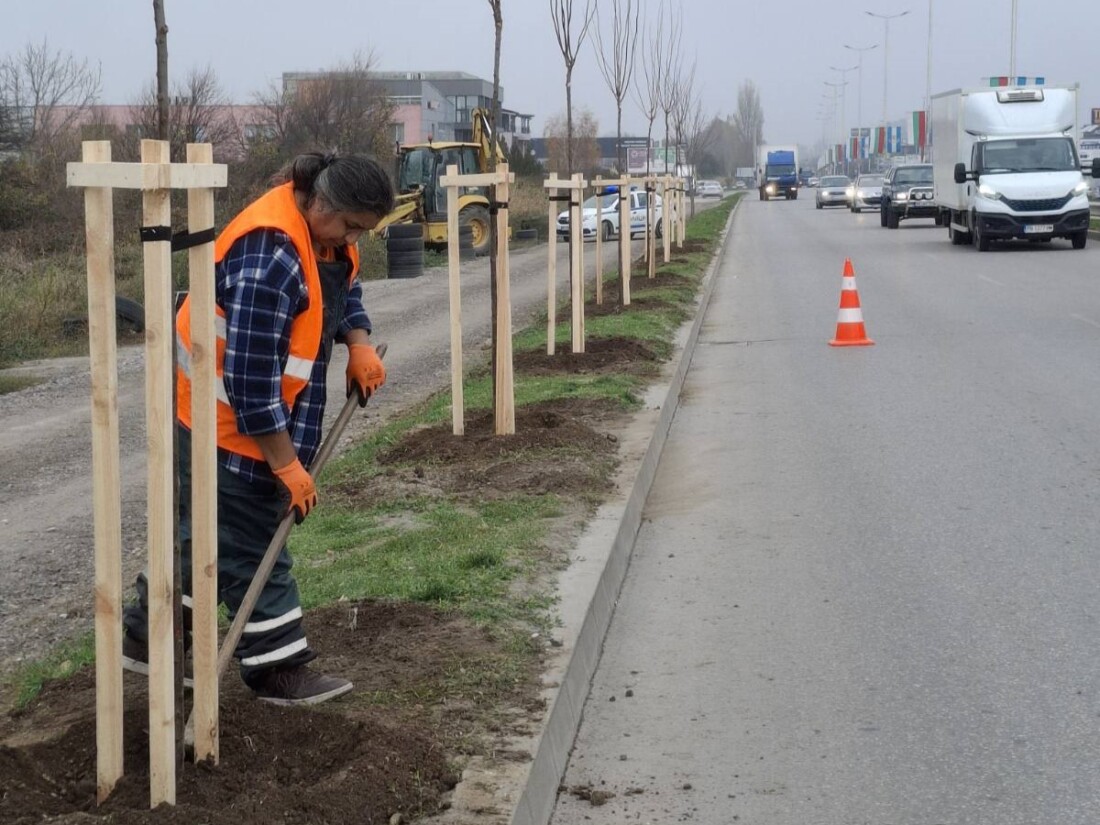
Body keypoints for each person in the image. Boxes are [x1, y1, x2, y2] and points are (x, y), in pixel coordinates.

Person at [122, 152, 395, 705]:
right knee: (253, 537)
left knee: (199, 533)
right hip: (222, 418)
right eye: (350, 226)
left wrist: (359, 340)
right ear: (321, 202)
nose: (352, 240)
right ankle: (278, 667)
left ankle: (151, 639)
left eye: (361, 232)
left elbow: (341, 289)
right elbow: (248, 382)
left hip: (244, 415)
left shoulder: (326, 237)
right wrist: (286, 464)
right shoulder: (271, 256)